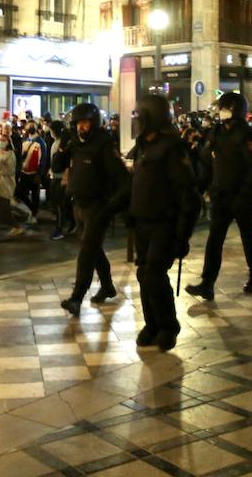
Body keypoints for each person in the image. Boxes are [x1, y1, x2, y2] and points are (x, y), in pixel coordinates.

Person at [112, 93, 199, 351]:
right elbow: (134, 184)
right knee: (143, 274)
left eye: (139, 116)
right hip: (142, 222)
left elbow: (188, 196)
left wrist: (182, 236)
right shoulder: (142, 146)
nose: (136, 120)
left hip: (164, 223)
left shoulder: (172, 148)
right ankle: (152, 325)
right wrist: (112, 207)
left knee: (153, 274)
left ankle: (169, 326)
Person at [184, 91, 252, 301]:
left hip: (241, 197)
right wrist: (199, 188)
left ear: (236, 111)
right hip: (221, 196)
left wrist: (245, 194)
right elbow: (208, 161)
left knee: (248, 237)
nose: (221, 112)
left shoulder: (248, 135)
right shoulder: (216, 132)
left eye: (225, 108)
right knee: (214, 240)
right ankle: (207, 283)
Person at [57, 103, 126, 314]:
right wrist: (62, 146)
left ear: (93, 123)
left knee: (86, 251)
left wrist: (113, 205)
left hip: (98, 206)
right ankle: (107, 286)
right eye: (78, 123)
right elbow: (57, 167)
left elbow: (121, 177)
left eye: (85, 123)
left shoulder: (104, 144)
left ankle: (76, 298)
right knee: (93, 249)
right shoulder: (75, 143)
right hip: (78, 204)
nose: (81, 127)